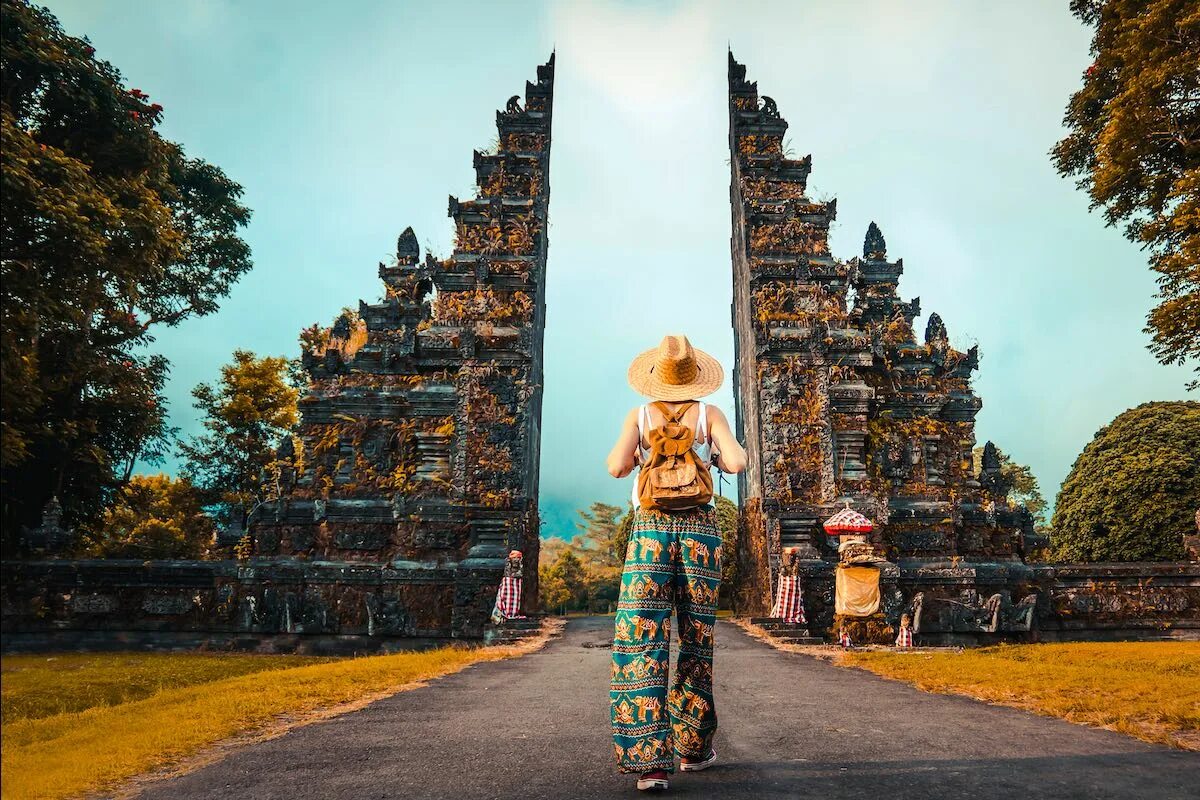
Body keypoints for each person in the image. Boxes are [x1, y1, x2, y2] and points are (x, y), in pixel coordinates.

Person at [606, 334, 747, 792]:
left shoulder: (640, 415)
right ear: (694, 376)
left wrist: (636, 462)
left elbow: (614, 467)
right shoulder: (709, 414)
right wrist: (718, 454)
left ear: (655, 378)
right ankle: (693, 747)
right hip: (701, 533)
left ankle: (650, 763)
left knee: (640, 637)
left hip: (649, 530)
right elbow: (740, 461)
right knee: (696, 636)